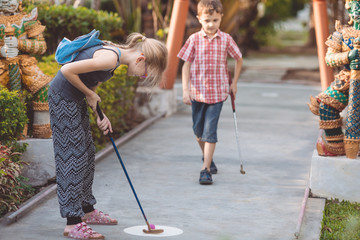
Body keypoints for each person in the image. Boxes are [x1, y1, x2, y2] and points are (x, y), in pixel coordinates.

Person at [48, 32, 168, 239]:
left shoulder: (115, 60)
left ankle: (87, 210)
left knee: (86, 151)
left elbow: (91, 79)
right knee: (73, 156)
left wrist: (99, 114)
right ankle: (72, 223)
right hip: (62, 98)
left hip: (73, 100)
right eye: (144, 73)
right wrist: (90, 95)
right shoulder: (110, 57)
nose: (141, 77)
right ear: (140, 59)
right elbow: (67, 70)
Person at [177, 0, 243, 185]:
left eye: (215, 19)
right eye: (207, 20)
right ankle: (208, 157)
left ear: (221, 17)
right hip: (197, 93)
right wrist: (185, 90)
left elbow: (238, 59)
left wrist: (234, 83)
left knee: (210, 131)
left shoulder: (226, 39)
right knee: (198, 131)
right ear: (199, 19)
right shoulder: (194, 40)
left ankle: (205, 169)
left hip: (218, 93)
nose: (211, 24)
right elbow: (185, 65)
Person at [308, 0, 360, 158]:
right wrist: (348, 56)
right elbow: (329, 58)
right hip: (347, 79)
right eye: (355, 5)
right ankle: (335, 144)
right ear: (349, 8)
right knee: (325, 106)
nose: (358, 9)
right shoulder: (342, 34)